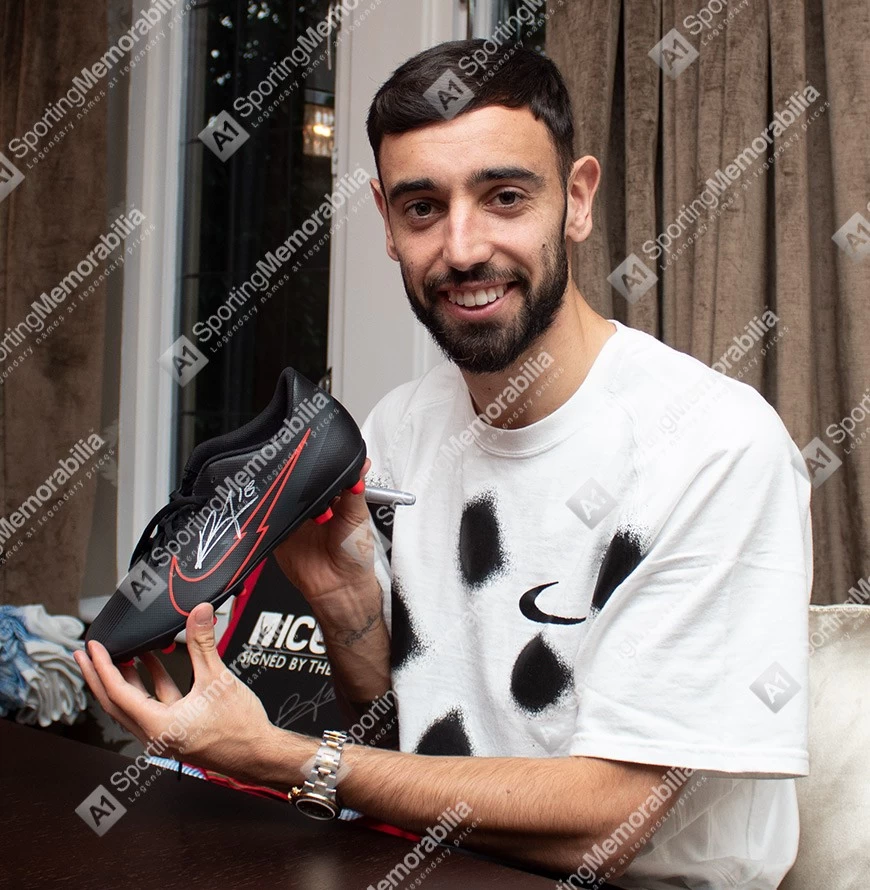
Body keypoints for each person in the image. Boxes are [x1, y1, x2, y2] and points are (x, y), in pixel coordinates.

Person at [76, 39, 812, 889]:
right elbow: (408, 759)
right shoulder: (403, 426)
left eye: (505, 197)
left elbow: (606, 826)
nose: (462, 249)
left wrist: (281, 757)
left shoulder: (716, 446)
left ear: (576, 200)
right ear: (388, 223)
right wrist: (348, 605)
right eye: (423, 208)